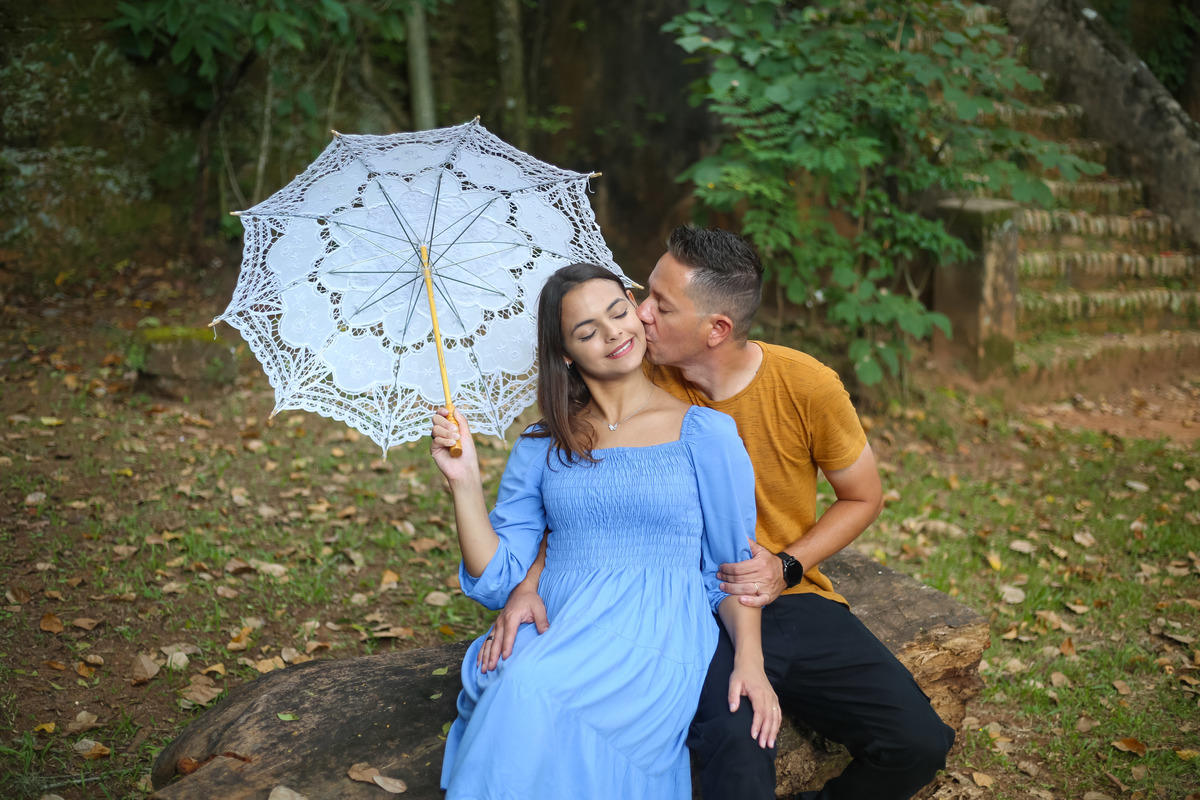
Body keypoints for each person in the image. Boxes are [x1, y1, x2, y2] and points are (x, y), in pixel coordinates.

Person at [483, 229, 956, 800]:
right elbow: (579, 501)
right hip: (686, 607)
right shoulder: (628, 372)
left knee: (918, 742)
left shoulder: (806, 384)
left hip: (791, 596)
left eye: (661, 306)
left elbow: (864, 497)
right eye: (644, 294)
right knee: (738, 752)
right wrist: (527, 583)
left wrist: (785, 565)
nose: (639, 314)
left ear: (717, 329)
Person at [429, 262, 781, 800]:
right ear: (567, 353)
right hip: (561, 621)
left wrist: (750, 663)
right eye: (587, 331)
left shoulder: (706, 434)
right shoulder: (542, 443)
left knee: (529, 690)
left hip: (658, 630)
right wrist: (465, 481)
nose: (613, 333)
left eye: (619, 313)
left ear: (637, 314)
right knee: (521, 686)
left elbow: (735, 571)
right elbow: (497, 578)